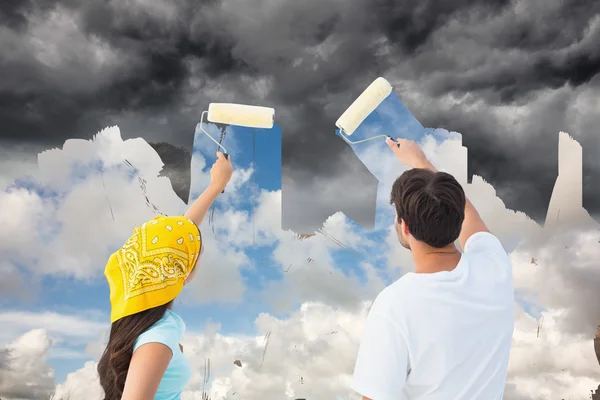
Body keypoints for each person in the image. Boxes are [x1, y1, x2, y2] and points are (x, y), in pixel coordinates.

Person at [351, 138, 515, 400]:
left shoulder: (394, 306)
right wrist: (421, 163)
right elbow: (469, 216)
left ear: (404, 226)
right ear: (457, 219)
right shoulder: (494, 268)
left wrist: (420, 163)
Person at [97, 152, 233, 400]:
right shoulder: (159, 335)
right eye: (194, 254)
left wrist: (217, 185)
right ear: (180, 272)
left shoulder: (136, 324)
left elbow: (174, 238)